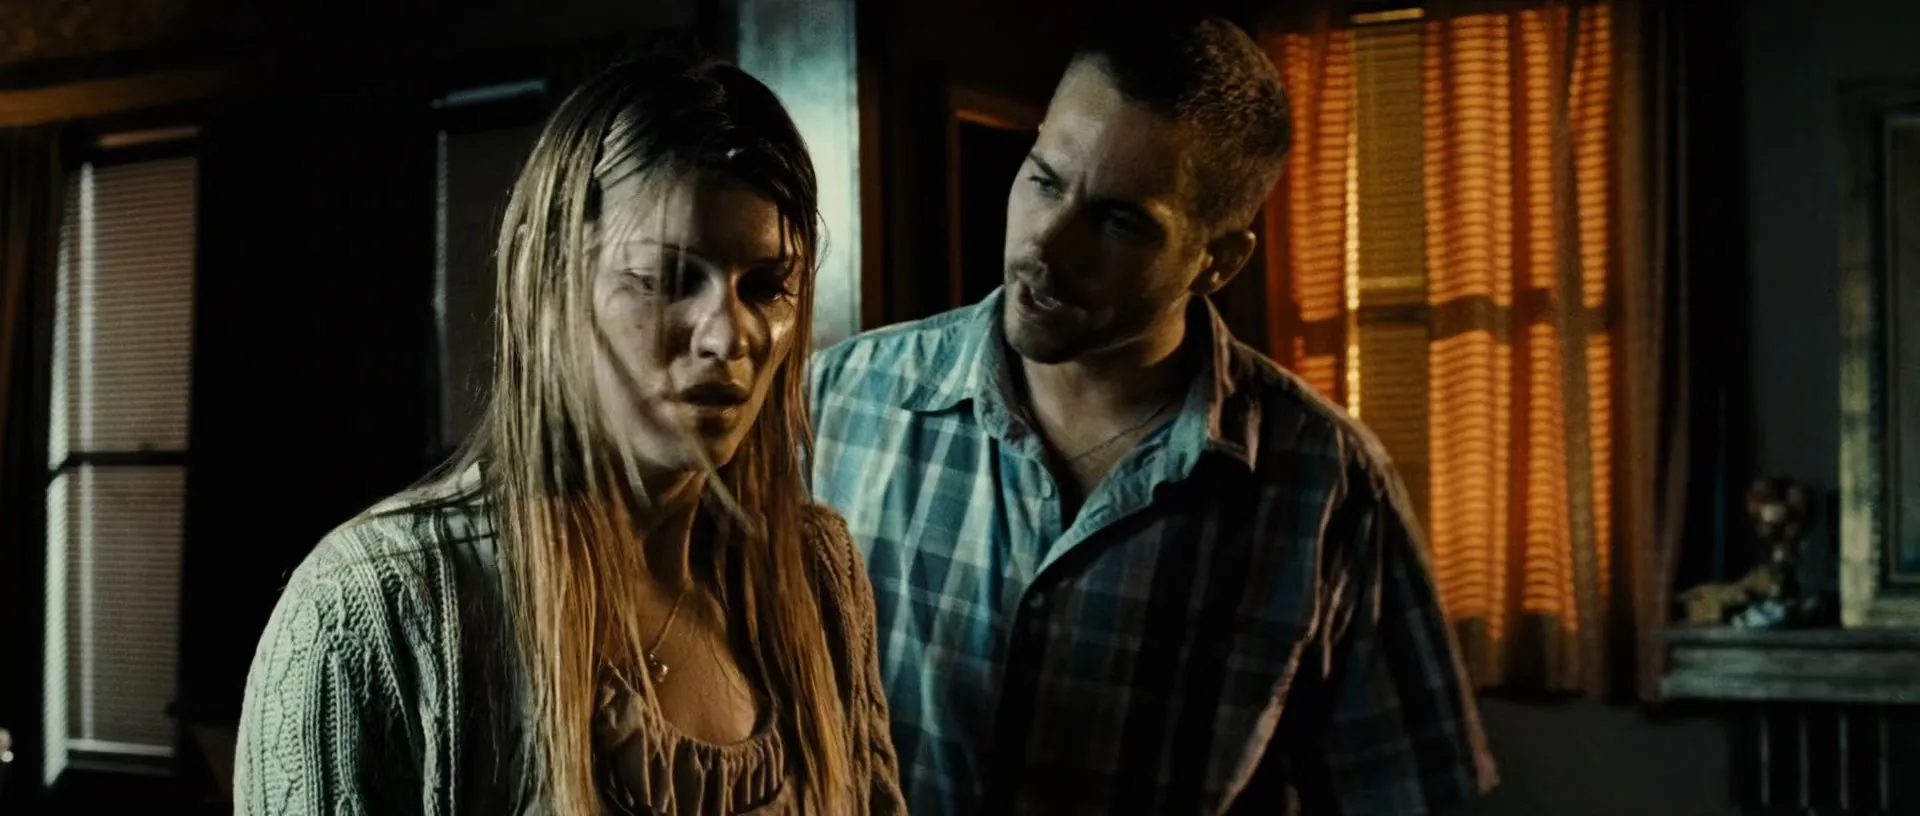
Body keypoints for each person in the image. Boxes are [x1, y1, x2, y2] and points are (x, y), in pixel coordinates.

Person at [809, 11, 1496, 815]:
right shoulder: (841, 397)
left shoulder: (1327, 486)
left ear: (1217, 262)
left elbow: (1404, 794)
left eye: (1120, 220)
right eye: (1044, 179)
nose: (1048, 246)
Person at [235, 56, 903, 815]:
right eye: (668, 278)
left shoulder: (815, 577)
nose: (730, 335)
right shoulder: (375, 606)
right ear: (547, 275)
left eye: (767, 287)